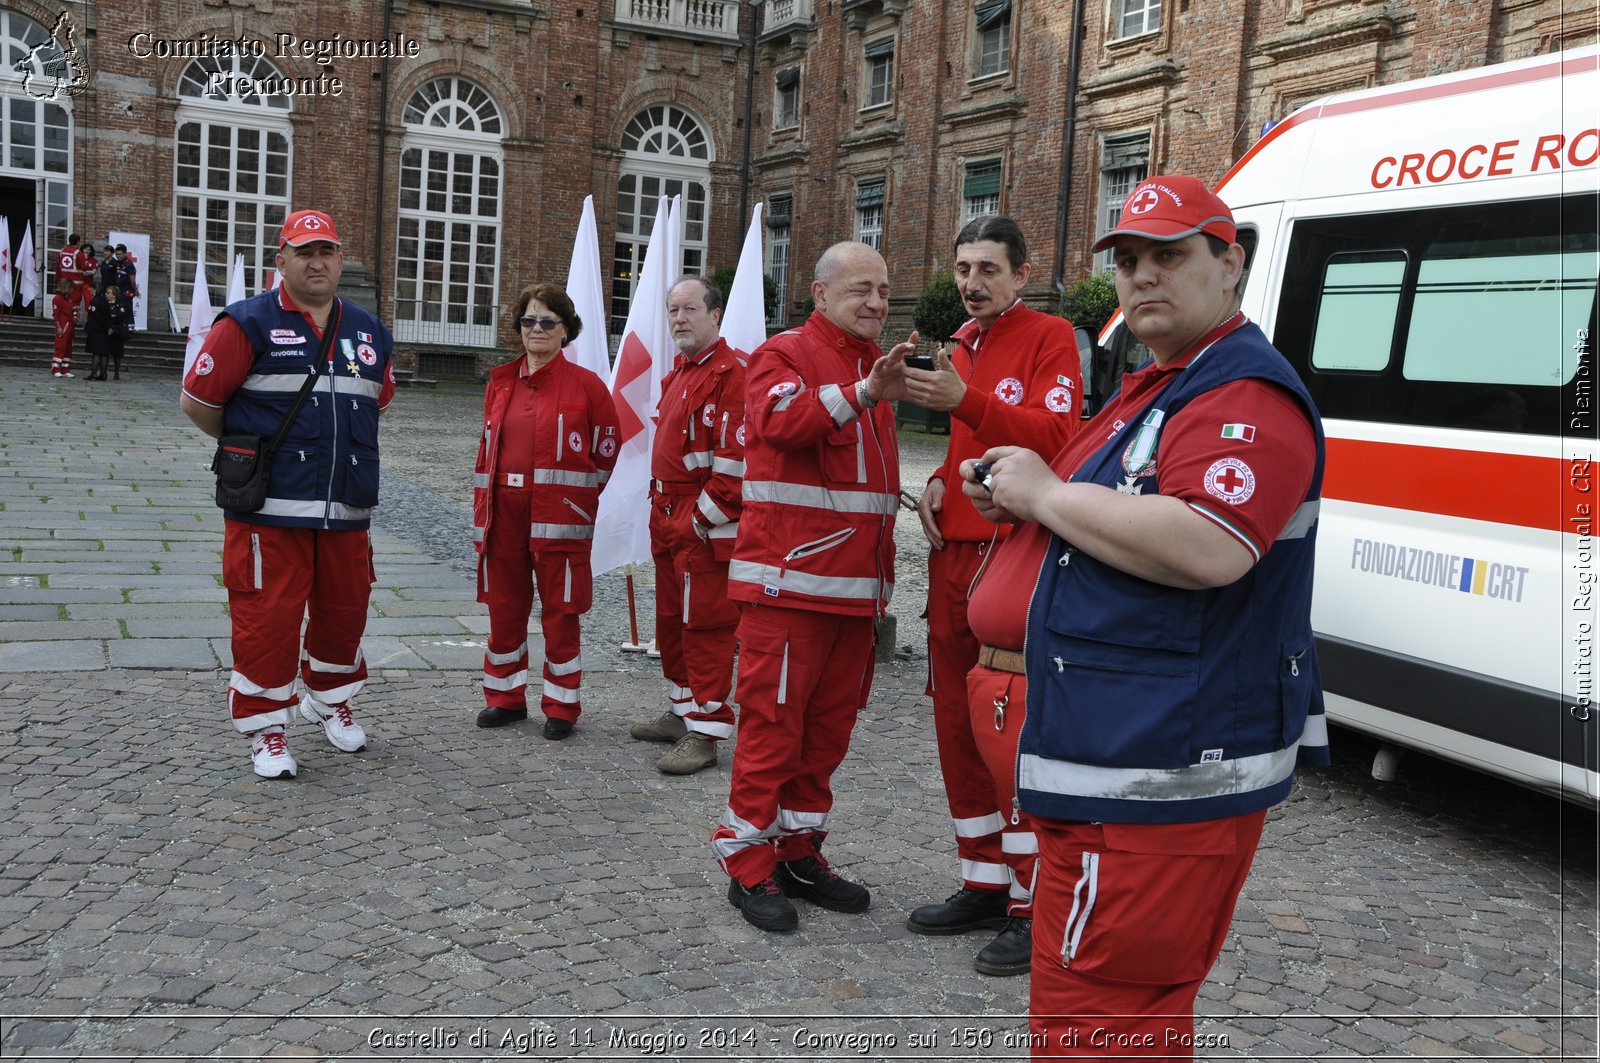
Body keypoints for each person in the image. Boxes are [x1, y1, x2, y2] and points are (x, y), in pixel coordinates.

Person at [959, 176, 1327, 1058]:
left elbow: (1209, 542)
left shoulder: (1240, 393)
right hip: (1116, 765)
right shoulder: (1162, 382)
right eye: (1128, 260)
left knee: (1100, 1021)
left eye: (1171, 255)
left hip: (1153, 779)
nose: (1142, 277)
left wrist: (1047, 494)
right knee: (1106, 1014)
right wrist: (1034, 501)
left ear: (1229, 261)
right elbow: (1104, 507)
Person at [711, 242, 917, 933]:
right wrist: (863, 393)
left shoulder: (873, 368)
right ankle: (744, 857)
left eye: (884, 290)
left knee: (826, 737)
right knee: (773, 729)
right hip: (789, 589)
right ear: (819, 293)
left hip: (855, 598)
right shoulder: (785, 353)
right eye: (862, 288)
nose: (878, 302)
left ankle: (800, 850)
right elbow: (779, 421)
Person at [899, 215, 1084, 977]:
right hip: (952, 561)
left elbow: (1058, 433)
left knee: (1009, 729)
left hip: (1012, 555)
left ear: (1021, 272)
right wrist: (941, 479)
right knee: (955, 721)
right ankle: (981, 876)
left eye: (987, 269)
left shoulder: (1051, 337)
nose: (972, 282)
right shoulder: (963, 344)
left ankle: (1029, 900)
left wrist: (963, 401)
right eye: (963, 267)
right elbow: (964, 447)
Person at [179, 209, 396, 780]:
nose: (316, 261)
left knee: (344, 616)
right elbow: (198, 403)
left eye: (326, 250)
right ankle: (266, 728)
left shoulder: (371, 332)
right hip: (269, 512)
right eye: (304, 252)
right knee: (266, 621)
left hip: (346, 506)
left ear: (340, 259)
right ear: (282, 262)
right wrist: (249, 453)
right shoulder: (245, 323)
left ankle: (328, 699)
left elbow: (378, 400)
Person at [473, 283, 620, 741]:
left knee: (561, 611)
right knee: (505, 606)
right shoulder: (500, 382)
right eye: (529, 321)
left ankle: (562, 705)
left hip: (560, 516)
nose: (537, 329)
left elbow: (606, 453)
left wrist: (575, 501)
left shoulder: (588, 387)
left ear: (565, 330)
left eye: (547, 322)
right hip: (503, 514)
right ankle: (504, 697)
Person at [629, 276, 746, 775]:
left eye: (690, 309)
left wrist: (698, 520)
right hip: (666, 513)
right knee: (671, 622)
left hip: (702, 522)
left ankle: (708, 729)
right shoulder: (680, 372)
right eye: (673, 309)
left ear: (715, 315)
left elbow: (739, 464)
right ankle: (682, 711)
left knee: (706, 626)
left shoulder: (733, 373)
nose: (679, 318)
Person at [84, 282, 128, 381]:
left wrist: (112, 328)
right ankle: (103, 373)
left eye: (109, 293)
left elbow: (119, 318)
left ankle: (114, 373)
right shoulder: (103, 302)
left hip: (113, 331)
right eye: (106, 292)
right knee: (104, 353)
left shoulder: (119, 305)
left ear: (114, 294)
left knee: (114, 353)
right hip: (105, 330)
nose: (106, 294)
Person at [100, 244, 138, 325]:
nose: (118, 256)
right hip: (119, 291)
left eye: (120, 254)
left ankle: (130, 328)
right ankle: (122, 328)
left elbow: (132, 279)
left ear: (125, 254)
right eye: (117, 254)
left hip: (126, 291)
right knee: (119, 310)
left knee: (127, 310)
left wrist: (135, 290)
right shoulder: (118, 263)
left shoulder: (129, 264)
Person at [57, 233, 86, 322]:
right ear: (77, 242)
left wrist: (59, 279)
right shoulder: (79, 253)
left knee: (63, 301)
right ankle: (73, 319)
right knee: (75, 302)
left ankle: (63, 317)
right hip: (76, 284)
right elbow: (83, 267)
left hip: (64, 282)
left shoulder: (61, 251)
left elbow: (58, 266)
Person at [49, 277, 75, 378]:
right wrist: (59, 327)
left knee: (68, 348)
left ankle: (65, 369)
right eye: (71, 288)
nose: (72, 290)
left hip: (70, 325)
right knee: (60, 347)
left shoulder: (68, 298)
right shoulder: (58, 298)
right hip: (63, 325)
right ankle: (55, 368)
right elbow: (56, 314)